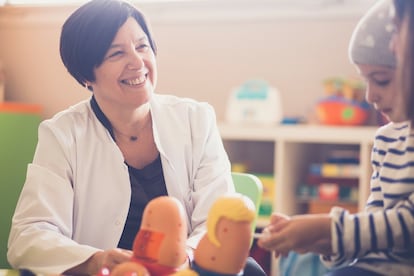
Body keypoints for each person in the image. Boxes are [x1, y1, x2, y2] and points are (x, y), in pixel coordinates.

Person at [6, 1, 266, 275]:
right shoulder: (62, 135)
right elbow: (28, 237)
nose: (137, 62)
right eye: (116, 53)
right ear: (85, 74)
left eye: (142, 46)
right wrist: (95, 260)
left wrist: (181, 258)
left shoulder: (196, 120)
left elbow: (216, 223)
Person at [257, 0, 414, 275]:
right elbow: (372, 230)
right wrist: (322, 242)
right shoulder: (387, 141)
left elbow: (407, 225)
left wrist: (327, 228)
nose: (370, 96)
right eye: (366, 81)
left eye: (382, 80)